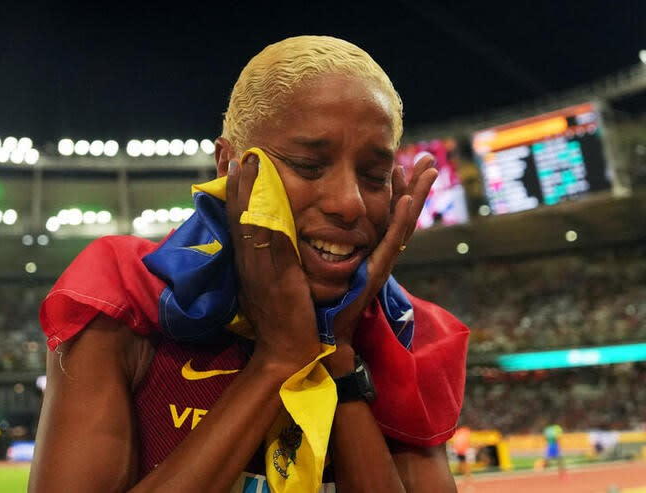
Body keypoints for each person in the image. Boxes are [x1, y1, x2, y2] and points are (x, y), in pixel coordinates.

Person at [29, 35, 468, 492]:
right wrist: (278, 359)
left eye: (374, 176)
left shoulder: (406, 331)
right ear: (228, 164)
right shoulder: (126, 297)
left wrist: (335, 350)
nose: (349, 203)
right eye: (308, 165)